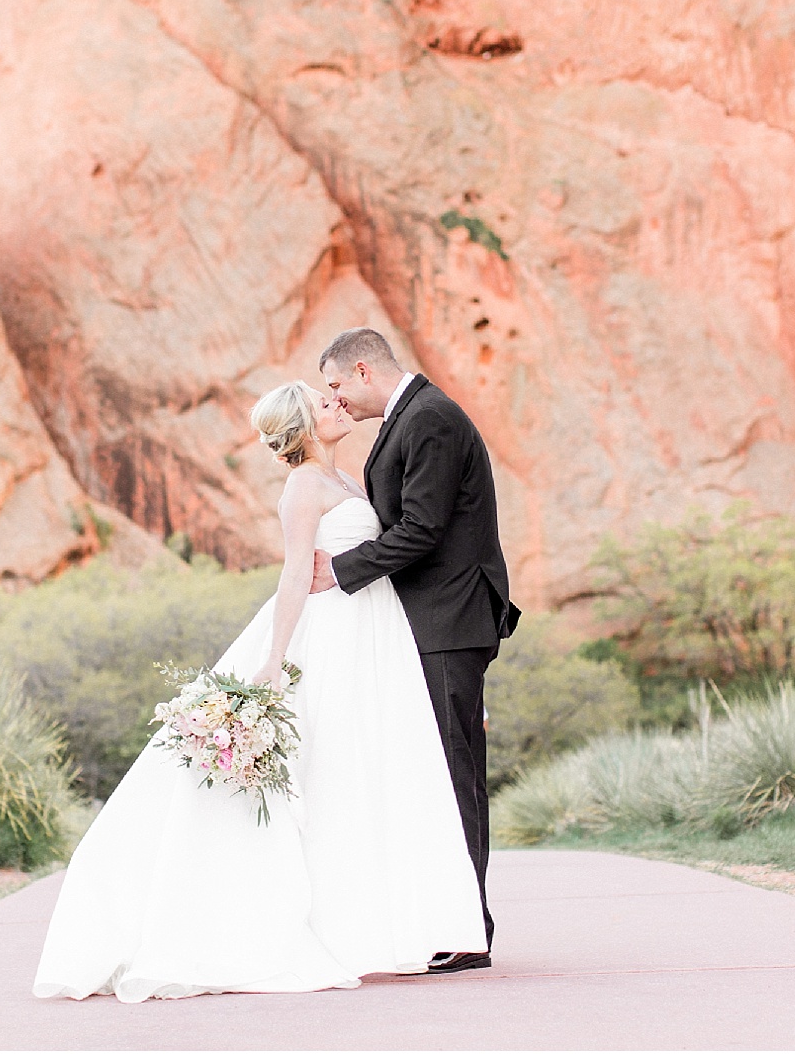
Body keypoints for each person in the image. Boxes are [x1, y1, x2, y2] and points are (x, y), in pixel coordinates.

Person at [33, 380, 486, 1003]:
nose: (336, 405)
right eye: (322, 403)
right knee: (327, 771)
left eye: (333, 398)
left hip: (370, 633)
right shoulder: (303, 487)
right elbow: (296, 571)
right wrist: (273, 662)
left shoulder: (347, 479)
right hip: (329, 637)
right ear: (302, 427)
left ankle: (368, 924)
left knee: (361, 772)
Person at [313, 328, 519, 973]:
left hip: (449, 621)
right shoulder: (410, 416)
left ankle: (467, 930)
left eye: (338, 385)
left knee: (454, 772)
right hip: (426, 621)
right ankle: (443, 916)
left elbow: (424, 528)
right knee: (432, 773)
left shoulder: (429, 418)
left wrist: (344, 570)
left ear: (365, 369)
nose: (336, 400)